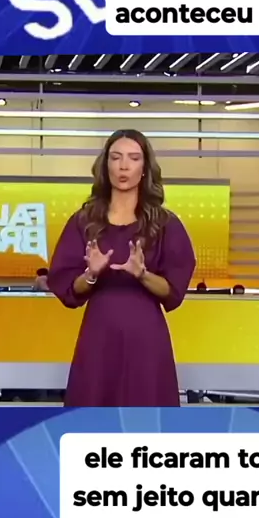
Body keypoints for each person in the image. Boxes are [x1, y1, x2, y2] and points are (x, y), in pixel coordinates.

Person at [48, 129, 196, 407]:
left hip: (147, 338)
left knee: (146, 413)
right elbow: (68, 289)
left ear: (145, 167)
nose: (124, 166)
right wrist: (91, 274)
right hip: (99, 336)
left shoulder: (165, 224)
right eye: (116, 158)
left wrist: (142, 274)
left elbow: (173, 292)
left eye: (133, 158)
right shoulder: (84, 221)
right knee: (94, 413)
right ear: (105, 166)